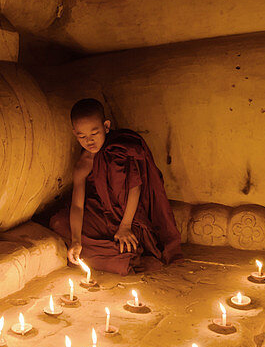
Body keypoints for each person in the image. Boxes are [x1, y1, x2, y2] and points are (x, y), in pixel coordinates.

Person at [49, 98, 183, 275]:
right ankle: (117, 253)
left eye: (94, 133)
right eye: (82, 136)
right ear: (75, 133)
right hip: (102, 215)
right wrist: (75, 240)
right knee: (58, 223)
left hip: (128, 216)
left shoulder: (118, 151)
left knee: (123, 241)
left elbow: (135, 188)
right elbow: (77, 205)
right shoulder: (83, 164)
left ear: (106, 126)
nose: (89, 141)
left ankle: (122, 253)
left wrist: (125, 226)